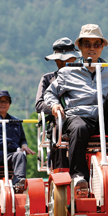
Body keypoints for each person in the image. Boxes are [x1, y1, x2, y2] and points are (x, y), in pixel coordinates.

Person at [44, 24, 108, 194]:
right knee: (79, 127)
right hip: (79, 115)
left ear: (102, 47)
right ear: (79, 47)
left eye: (96, 44)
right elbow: (50, 94)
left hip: (104, 116)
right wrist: (55, 105)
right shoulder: (67, 72)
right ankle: (79, 176)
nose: (92, 48)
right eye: (87, 44)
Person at [35, 37, 80, 170]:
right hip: (60, 124)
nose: (63, 62)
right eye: (59, 59)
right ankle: (61, 178)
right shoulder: (48, 79)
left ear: (75, 58)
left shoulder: (86, 77)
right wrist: (56, 109)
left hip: (84, 119)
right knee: (58, 134)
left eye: (67, 58)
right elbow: (39, 104)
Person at [0, 90, 35, 198]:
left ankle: (18, 184)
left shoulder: (16, 121)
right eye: (0, 101)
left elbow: (22, 139)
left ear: (9, 104)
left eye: (6, 101)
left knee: (20, 154)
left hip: (10, 154)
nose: (3, 104)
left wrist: (24, 145)